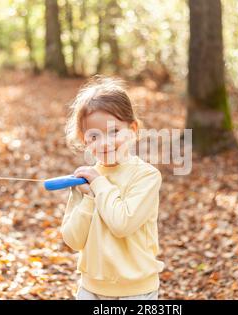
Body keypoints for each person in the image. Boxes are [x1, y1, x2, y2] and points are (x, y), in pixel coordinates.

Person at [62, 76, 164, 300]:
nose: (105, 143)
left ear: (133, 129)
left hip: (136, 291)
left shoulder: (146, 176)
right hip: (90, 290)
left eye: (114, 131)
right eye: (94, 136)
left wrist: (98, 184)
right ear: (84, 139)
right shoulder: (85, 182)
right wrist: (88, 199)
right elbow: (72, 239)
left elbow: (122, 224)